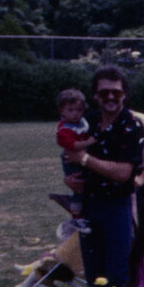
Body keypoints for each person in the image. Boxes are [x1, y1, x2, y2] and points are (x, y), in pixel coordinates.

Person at [73, 66, 144, 287]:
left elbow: (124, 173)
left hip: (117, 207)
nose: (110, 97)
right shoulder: (87, 122)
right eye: (104, 92)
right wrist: (71, 175)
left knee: (119, 275)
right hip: (88, 206)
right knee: (95, 275)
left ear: (124, 94)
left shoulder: (132, 126)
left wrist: (87, 160)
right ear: (95, 95)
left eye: (116, 92)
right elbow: (71, 155)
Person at [51, 88, 95, 233]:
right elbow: (73, 145)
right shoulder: (64, 129)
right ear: (61, 111)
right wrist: (90, 142)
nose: (75, 113)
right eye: (70, 110)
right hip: (73, 163)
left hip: (82, 160)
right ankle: (76, 218)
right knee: (78, 189)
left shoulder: (82, 123)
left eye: (79, 110)